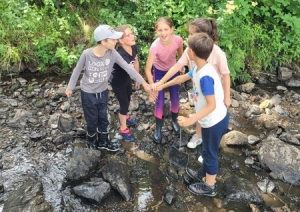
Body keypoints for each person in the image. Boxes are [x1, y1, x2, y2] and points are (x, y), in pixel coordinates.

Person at [157, 33, 229, 196]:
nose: (187, 50)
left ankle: (210, 187)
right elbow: (181, 78)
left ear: (193, 52)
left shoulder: (205, 76)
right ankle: (204, 174)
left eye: (188, 48)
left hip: (214, 121)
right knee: (206, 149)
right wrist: (163, 85)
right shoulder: (198, 66)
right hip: (209, 120)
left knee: (210, 154)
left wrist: (191, 120)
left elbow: (212, 105)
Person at [65, 24, 152, 151]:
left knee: (103, 118)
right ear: (103, 41)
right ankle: (91, 141)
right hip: (88, 93)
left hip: (103, 91)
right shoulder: (87, 54)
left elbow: (129, 69)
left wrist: (144, 83)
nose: (116, 41)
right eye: (113, 39)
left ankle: (103, 142)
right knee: (92, 119)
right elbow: (77, 70)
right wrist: (70, 87)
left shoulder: (113, 53)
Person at [152, 18, 231, 156]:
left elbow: (226, 75)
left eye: (191, 34)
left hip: (213, 92)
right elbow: (178, 67)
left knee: (211, 118)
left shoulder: (217, 53)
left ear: (202, 36)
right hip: (198, 90)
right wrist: (162, 83)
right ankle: (199, 136)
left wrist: (227, 97)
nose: (188, 37)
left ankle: (209, 147)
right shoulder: (191, 50)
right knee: (201, 111)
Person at [144, 17, 184, 144]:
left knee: (175, 99)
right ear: (156, 31)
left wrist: (181, 66)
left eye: (166, 29)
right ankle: (158, 129)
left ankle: (174, 121)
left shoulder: (178, 40)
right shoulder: (155, 46)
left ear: (172, 29)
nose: (163, 33)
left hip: (173, 71)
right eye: (160, 30)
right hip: (159, 72)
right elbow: (147, 69)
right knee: (159, 101)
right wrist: (152, 86)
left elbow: (181, 55)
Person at [110, 25, 140, 142]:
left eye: (132, 33)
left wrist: (137, 78)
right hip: (117, 82)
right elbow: (128, 68)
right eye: (129, 35)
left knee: (128, 96)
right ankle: (123, 128)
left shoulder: (134, 47)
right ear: (121, 40)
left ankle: (125, 115)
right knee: (124, 103)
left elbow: (136, 61)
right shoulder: (119, 54)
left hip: (126, 79)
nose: (132, 36)